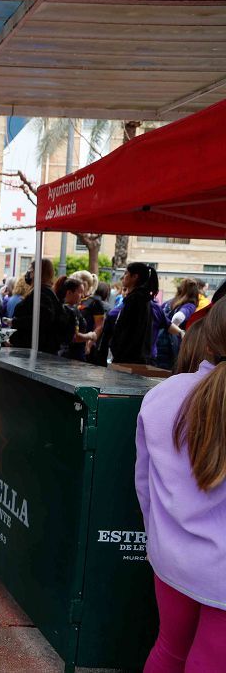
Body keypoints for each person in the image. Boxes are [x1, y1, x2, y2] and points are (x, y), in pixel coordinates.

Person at [135, 301, 226, 671]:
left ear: (206, 342)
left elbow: (145, 485)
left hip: (170, 558)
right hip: (216, 572)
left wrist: (159, 536)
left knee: (170, 649)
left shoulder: (163, 395)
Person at [107, 263, 181, 366]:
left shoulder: (136, 301)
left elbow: (128, 331)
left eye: (126, 273)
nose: (123, 277)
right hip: (139, 358)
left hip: (130, 360)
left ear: (135, 277)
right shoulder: (144, 300)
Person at [10, 259, 73, 355]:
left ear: (38, 272)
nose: (28, 274)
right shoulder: (47, 292)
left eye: (31, 271)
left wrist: (15, 322)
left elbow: (42, 319)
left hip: (35, 351)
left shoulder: (41, 293)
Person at [155, 278, 200, 370]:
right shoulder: (190, 305)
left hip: (157, 340)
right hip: (170, 345)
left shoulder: (168, 303)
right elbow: (178, 317)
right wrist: (175, 329)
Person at [60, 278, 96, 362]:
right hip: (71, 357)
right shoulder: (70, 310)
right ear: (69, 292)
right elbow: (75, 336)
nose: (83, 296)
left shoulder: (66, 308)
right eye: (80, 292)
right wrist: (90, 336)